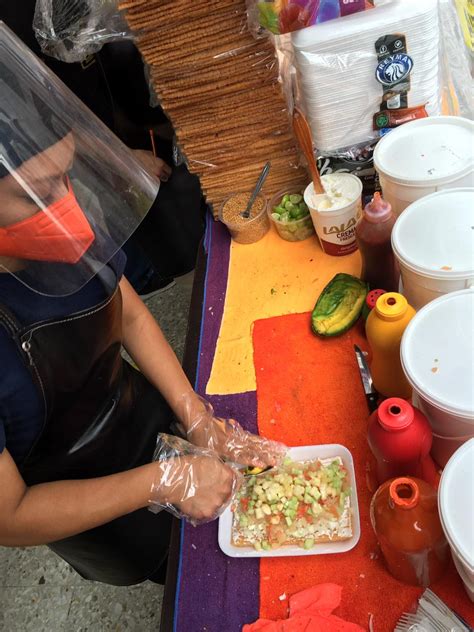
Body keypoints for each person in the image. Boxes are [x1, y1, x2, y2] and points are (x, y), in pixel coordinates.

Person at [0, 25, 285, 586]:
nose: (66, 205)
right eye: (38, 190)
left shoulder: (54, 231)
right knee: (182, 574)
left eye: (67, 176)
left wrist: (195, 416)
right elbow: (10, 515)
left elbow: (124, 308)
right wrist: (160, 483)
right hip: (86, 503)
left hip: (145, 418)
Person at [0, 0, 206, 297]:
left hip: (104, 118)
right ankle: (138, 275)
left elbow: (101, 63)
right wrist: (120, 159)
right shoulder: (16, 20)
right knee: (104, 214)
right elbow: (47, 119)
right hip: (65, 147)